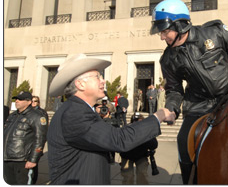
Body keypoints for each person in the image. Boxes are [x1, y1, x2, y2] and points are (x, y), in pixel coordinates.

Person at [150, 0, 228, 184]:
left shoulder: (215, 32)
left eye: (165, 30)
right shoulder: (167, 59)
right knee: (183, 142)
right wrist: (171, 109)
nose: (162, 37)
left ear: (181, 25)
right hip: (199, 105)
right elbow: (174, 90)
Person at [47, 53, 175, 184]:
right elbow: (119, 139)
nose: (103, 81)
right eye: (98, 76)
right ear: (80, 84)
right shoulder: (74, 113)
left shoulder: (79, 109)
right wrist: (159, 115)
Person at [4, 91, 48, 185]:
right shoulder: (12, 116)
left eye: (20, 99)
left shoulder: (36, 116)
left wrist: (33, 159)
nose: (17, 101)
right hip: (7, 158)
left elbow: (40, 139)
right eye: (16, 99)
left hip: (22, 160)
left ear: (28, 102)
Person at [120, 113, 158, 184]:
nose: (137, 124)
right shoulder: (126, 129)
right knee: (128, 176)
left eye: (140, 122)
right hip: (127, 156)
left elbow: (154, 145)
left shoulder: (146, 130)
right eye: (135, 121)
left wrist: (145, 135)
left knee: (142, 176)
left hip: (141, 156)